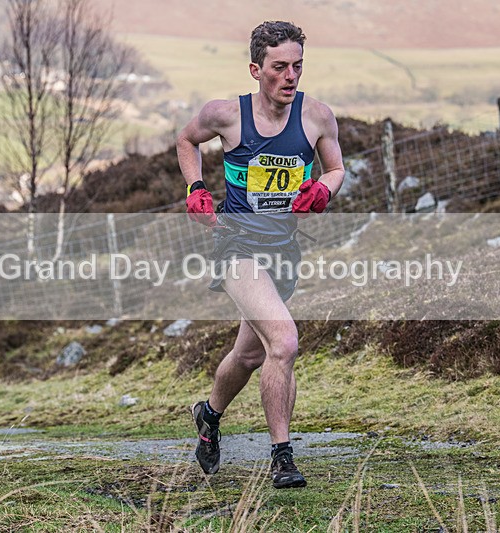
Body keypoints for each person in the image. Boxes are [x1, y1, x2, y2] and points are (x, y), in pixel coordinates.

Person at [176, 20, 344, 489]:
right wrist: (195, 188)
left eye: (298, 66)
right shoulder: (226, 115)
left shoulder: (317, 117)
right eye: (279, 68)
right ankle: (282, 457)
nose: (290, 76)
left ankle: (208, 416)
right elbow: (186, 140)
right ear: (256, 69)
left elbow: (336, 168)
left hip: (283, 252)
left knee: (250, 356)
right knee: (285, 341)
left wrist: (323, 191)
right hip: (236, 246)